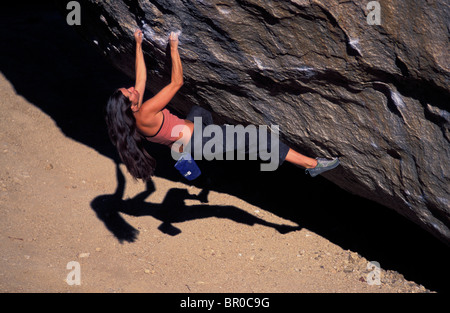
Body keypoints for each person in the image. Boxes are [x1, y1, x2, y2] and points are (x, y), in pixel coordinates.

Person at [106, 29, 340, 182]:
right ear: (131, 107)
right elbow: (177, 82)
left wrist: (138, 44)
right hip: (201, 140)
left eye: (126, 89)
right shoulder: (145, 111)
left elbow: (141, 78)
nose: (132, 89)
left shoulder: (133, 117)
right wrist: (174, 46)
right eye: (129, 94)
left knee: (200, 111)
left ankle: (182, 153)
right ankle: (313, 165)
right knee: (261, 139)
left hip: (190, 135)